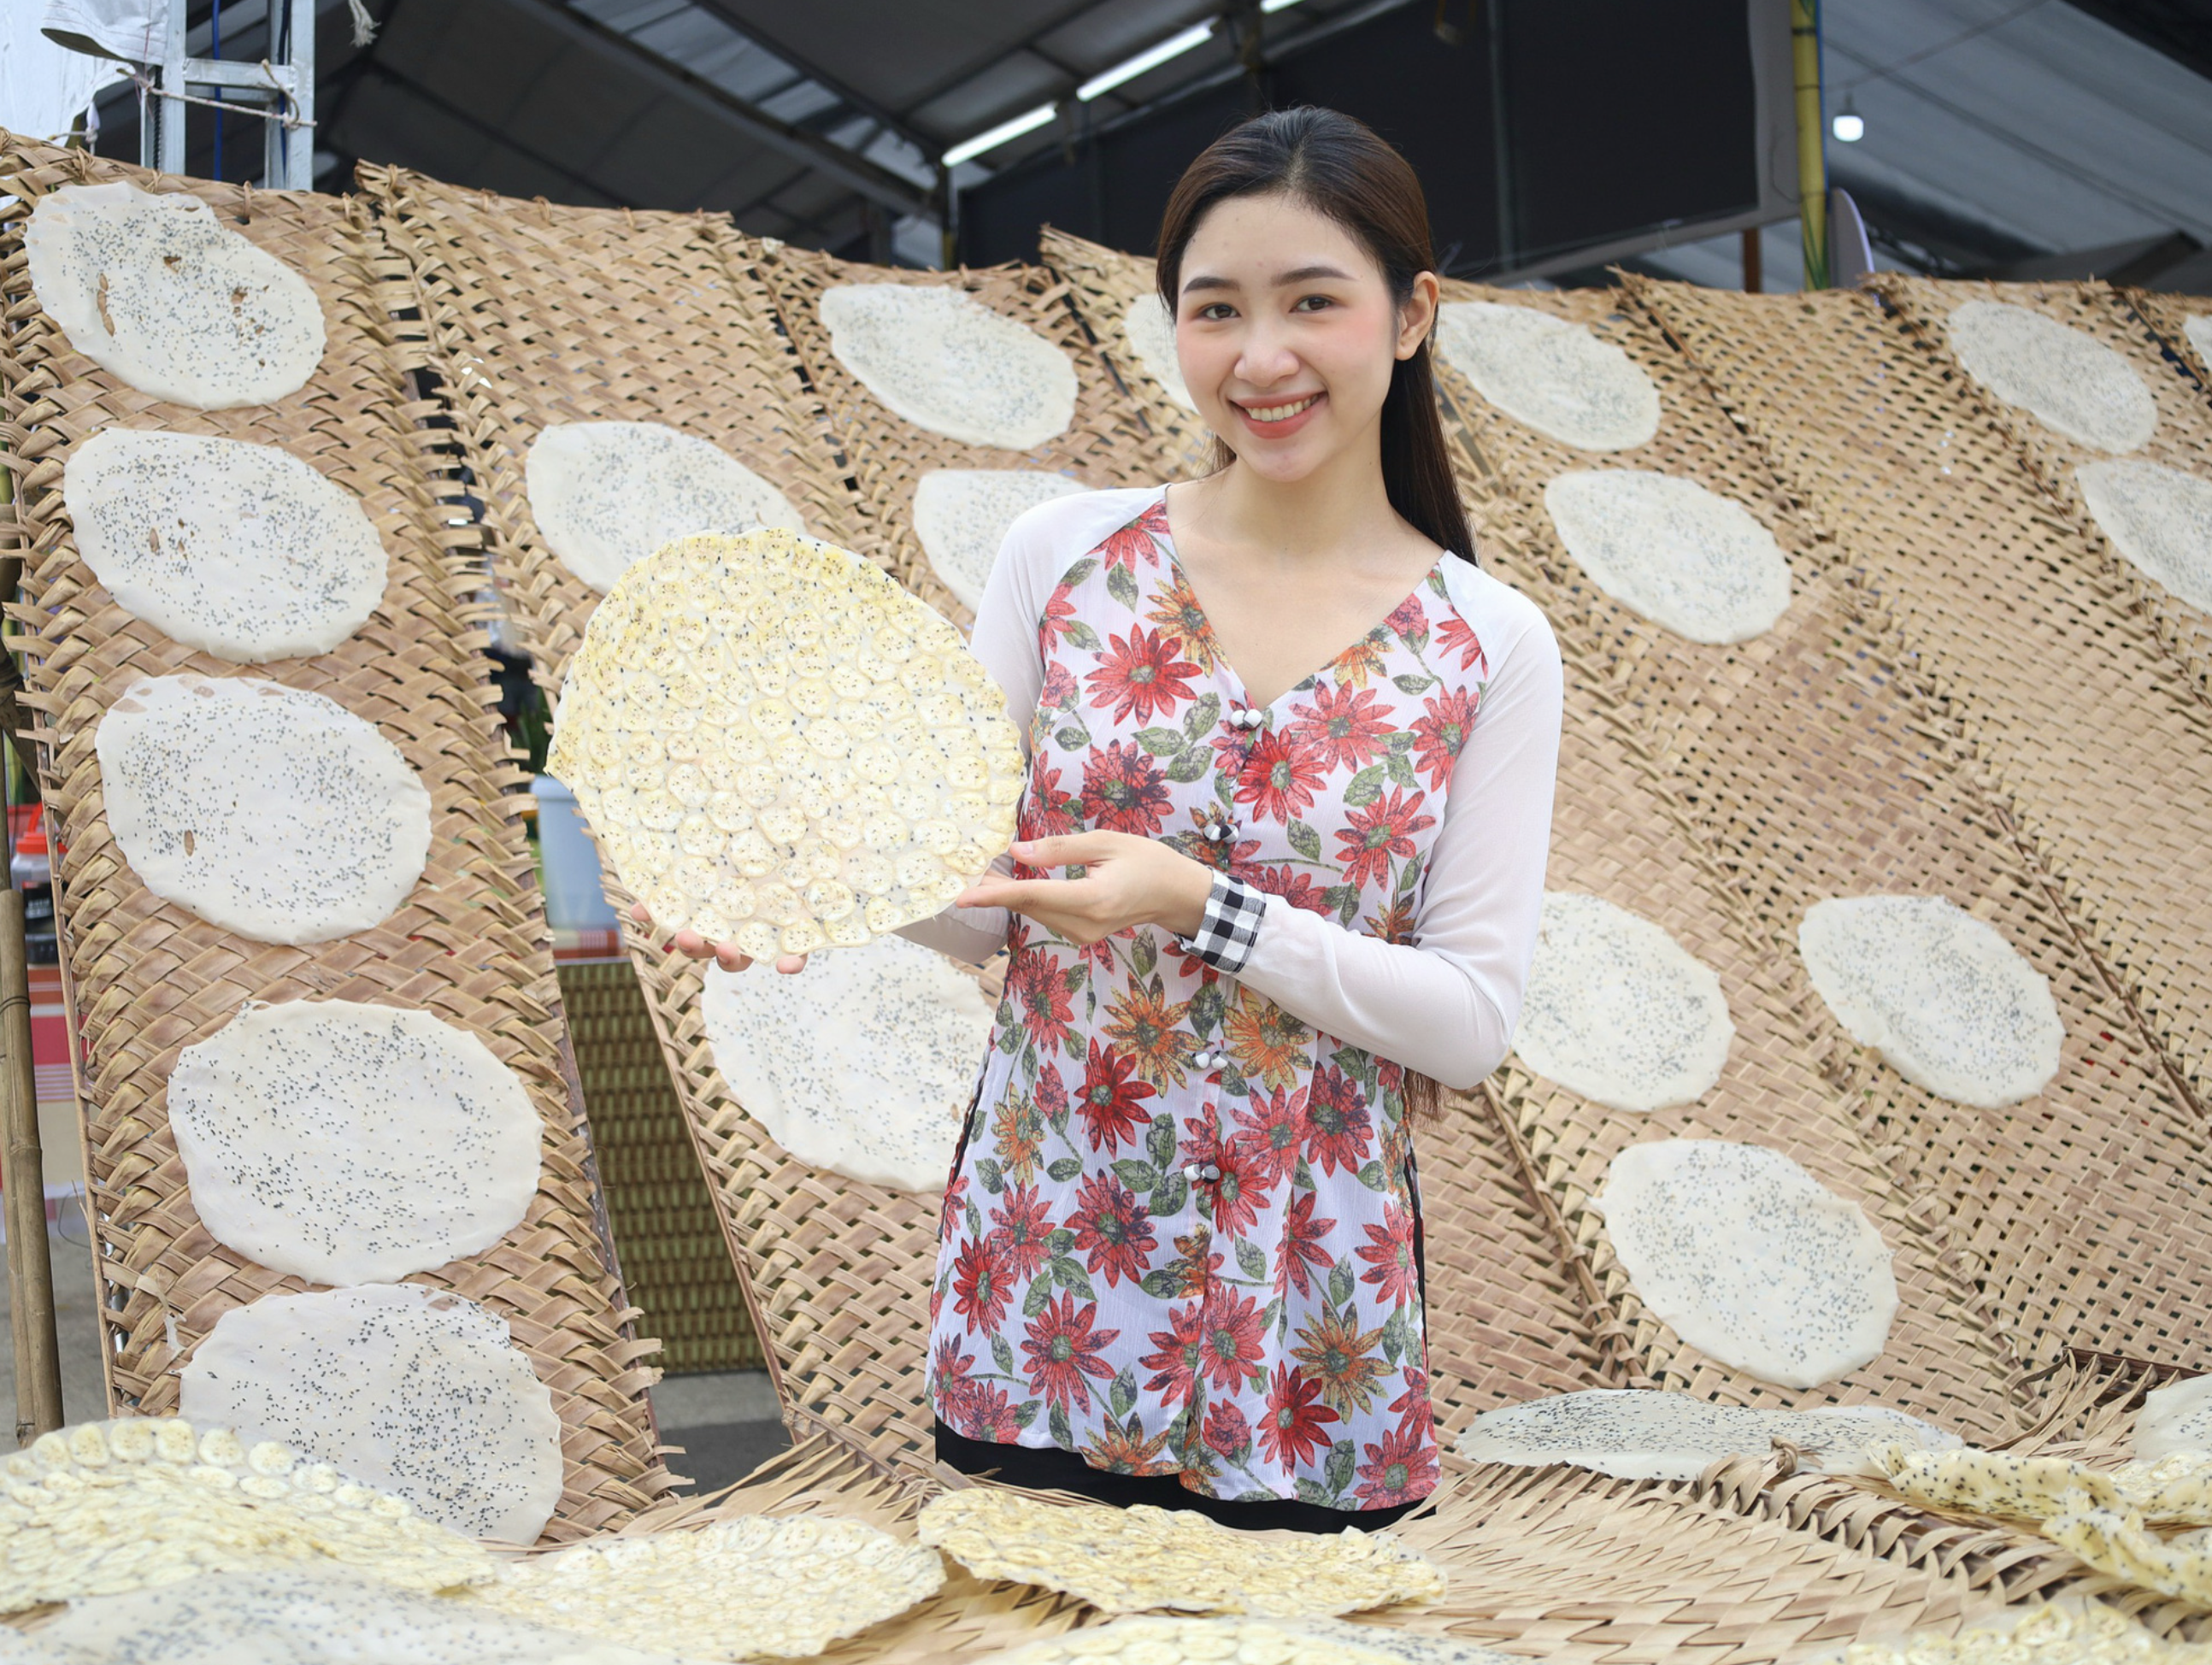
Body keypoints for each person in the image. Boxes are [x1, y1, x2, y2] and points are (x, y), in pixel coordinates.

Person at [651, 106, 1561, 1531]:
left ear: (1409, 316)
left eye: (1311, 301)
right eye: (1215, 311)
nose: (1260, 358)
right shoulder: (1062, 558)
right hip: (1049, 1284)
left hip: (1307, 1321)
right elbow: (970, 896)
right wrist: (799, 890)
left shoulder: (1490, 642)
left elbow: (1466, 1021)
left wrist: (1197, 904)